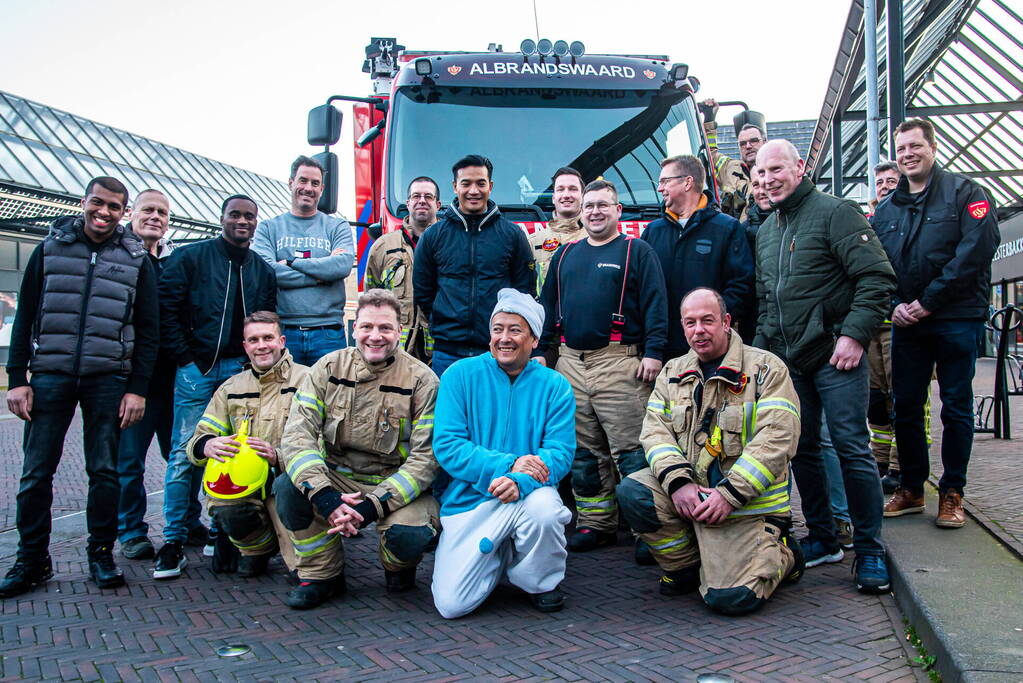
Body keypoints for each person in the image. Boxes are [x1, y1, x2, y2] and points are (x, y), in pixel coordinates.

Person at [1, 177, 158, 597]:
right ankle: (31, 560)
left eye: (113, 207)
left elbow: (147, 328)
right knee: (35, 474)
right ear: (83, 202)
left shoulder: (135, 259)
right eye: (97, 203)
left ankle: (100, 553)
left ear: (124, 212)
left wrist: (136, 388)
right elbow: (26, 314)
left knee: (104, 472)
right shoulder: (50, 248)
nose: (103, 212)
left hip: (108, 378)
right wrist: (18, 379)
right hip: (50, 374)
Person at [753, 140, 896, 593]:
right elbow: (766, 303)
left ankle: (870, 551)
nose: (768, 179)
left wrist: (854, 335)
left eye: (776, 169)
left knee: (853, 447)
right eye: (760, 173)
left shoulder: (837, 213)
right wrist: (759, 356)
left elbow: (877, 278)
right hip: (790, 361)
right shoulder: (767, 230)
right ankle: (823, 537)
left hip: (836, 354)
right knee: (803, 449)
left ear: (800, 167)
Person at [617, 288, 803, 614]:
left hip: (745, 507)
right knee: (633, 491)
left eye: (707, 321)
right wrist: (678, 483)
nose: (698, 330)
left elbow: (777, 439)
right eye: (690, 323)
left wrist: (730, 494)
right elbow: (655, 432)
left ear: (726, 322)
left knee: (730, 600)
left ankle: (785, 552)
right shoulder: (673, 371)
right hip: (693, 497)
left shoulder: (766, 369)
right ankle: (686, 567)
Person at [276, 289, 440, 609]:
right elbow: (297, 437)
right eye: (366, 327)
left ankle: (397, 566)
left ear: (400, 330)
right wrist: (324, 495)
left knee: (412, 534)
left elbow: (426, 459)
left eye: (385, 328)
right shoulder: (326, 368)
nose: (374, 336)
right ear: (354, 328)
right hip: (335, 480)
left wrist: (369, 508)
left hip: (393, 485)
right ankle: (322, 574)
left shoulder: (423, 380)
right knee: (287, 488)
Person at [875, 118, 1000, 528]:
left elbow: (975, 252)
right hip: (907, 322)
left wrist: (927, 302)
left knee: (957, 406)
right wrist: (894, 303)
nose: (908, 154)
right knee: (905, 406)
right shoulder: (888, 209)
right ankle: (912, 488)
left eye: (915, 146)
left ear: (932, 147)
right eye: (901, 149)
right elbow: (876, 264)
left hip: (954, 319)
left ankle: (952, 492)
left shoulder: (967, 194)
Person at [537, 179, 667, 561]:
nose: (594, 211)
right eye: (589, 205)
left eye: (603, 205)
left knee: (631, 451)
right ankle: (596, 523)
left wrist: (654, 352)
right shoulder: (564, 255)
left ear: (618, 211)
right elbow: (546, 307)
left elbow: (657, 304)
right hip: (569, 363)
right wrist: (545, 351)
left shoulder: (636, 252)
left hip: (620, 363)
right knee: (584, 453)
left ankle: (649, 527)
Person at [431, 289, 575, 618]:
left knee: (546, 512)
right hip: (471, 500)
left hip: (529, 494)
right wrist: (507, 465)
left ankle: (537, 582)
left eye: (515, 330)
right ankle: (500, 557)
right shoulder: (458, 376)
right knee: (452, 606)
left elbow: (560, 452)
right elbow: (448, 446)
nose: (504, 338)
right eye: (498, 329)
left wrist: (519, 479)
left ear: (534, 339)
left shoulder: (555, 386)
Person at [155, 194, 277, 580]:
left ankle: (222, 530)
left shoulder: (260, 269)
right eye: (236, 215)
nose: (243, 222)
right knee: (184, 451)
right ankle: (173, 540)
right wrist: (185, 359)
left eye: (250, 217)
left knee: (238, 453)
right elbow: (166, 309)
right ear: (222, 218)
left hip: (240, 370)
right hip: (197, 368)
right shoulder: (190, 258)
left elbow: (266, 317)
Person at [185, 311, 306, 577]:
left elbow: (327, 441)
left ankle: (304, 561)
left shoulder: (308, 381)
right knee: (222, 504)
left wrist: (280, 457)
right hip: (246, 488)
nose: (261, 345)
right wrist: (206, 445)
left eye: (268, 338)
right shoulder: (231, 388)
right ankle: (257, 550)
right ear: (245, 346)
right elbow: (199, 437)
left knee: (304, 570)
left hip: (289, 483)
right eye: (254, 340)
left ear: (282, 341)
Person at [413, 154, 536, 377]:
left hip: (497, 351)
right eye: (466, 183)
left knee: (495, 412)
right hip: (447, 352)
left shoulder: (512, 235)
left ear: (490, 186)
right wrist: (445, 318)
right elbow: (423, 291)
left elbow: (523, 291)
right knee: (452, 412)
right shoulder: (433, 236)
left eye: (480, 183)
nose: (473, 191)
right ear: (454, 186)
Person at [641, 155, 755, 361]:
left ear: (687, 182)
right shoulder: (652, 232)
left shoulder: (727, 228)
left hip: (712, 352)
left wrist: (709, 327)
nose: (659, 189)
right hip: (664, 353)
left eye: (665, 181)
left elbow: (741, 286)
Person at [117, 189, 177, 561]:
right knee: (129, 463)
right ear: (131, 214)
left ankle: (184, 522)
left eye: (162, 212)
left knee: (182, 458)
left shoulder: (174, 261)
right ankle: (131, 531)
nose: (155, 217)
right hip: (132, 383)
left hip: (172, 380)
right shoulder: (117, 258)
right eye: (148, 210)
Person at [253, 156, 354, 366]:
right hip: (284, 333)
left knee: (330, 397)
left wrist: (290, 262)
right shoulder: (268, 228)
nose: (308, 188)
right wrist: (321, 275)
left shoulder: (337, 227)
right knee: (285, 397)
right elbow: (267, 273)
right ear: (291, 183)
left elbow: (342, 265)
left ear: (322, 189)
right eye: (303, 181)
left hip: (328, 334)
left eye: (315, 183)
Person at [365, 176, 441, 362]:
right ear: (408, 203)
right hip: (396, 348)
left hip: (438, 348)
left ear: (438, 205)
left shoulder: (449, 243)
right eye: (416, 196)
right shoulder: (383, 246)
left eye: (428, 197)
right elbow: (372, 296)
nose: (422, 200)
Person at [866, 160, 904, 494]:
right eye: (880, 182)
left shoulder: (906, 220)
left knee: (903, 399)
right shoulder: (870, 222)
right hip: (873, 326)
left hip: (900, 326)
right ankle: (880, 461)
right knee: (876, 401)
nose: (886, 187)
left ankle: (900, 465)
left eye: (892, 181)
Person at [701, 98, 768, 222]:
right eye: (742, 143)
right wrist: (710, 118)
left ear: (765, 142)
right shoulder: (730, 168)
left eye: (753, 141)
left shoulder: (777, 170)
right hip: (739, 237)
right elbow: (709, 154)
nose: (748, 146)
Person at [527, 166, 587, 292]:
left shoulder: (597, 238)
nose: (566, 195)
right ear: (554, 197)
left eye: (573, 189)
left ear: (583, 196)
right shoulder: (532, 242)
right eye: (560, 189)